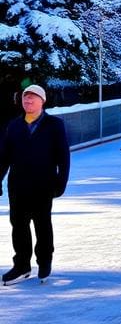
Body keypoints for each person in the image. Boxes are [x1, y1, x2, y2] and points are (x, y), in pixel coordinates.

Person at [0, 85, 70, 285]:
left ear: (42, 101)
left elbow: (63, 156)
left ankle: (44, 261)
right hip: (18, 185)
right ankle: (21, 265)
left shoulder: (54, 124)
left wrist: (61, 182)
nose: (28, 101)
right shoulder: (14, 126)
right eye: (25, 98)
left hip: (43, 184)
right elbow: (4, 156)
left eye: (32, 98)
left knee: (42, 225)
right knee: (19, 226)